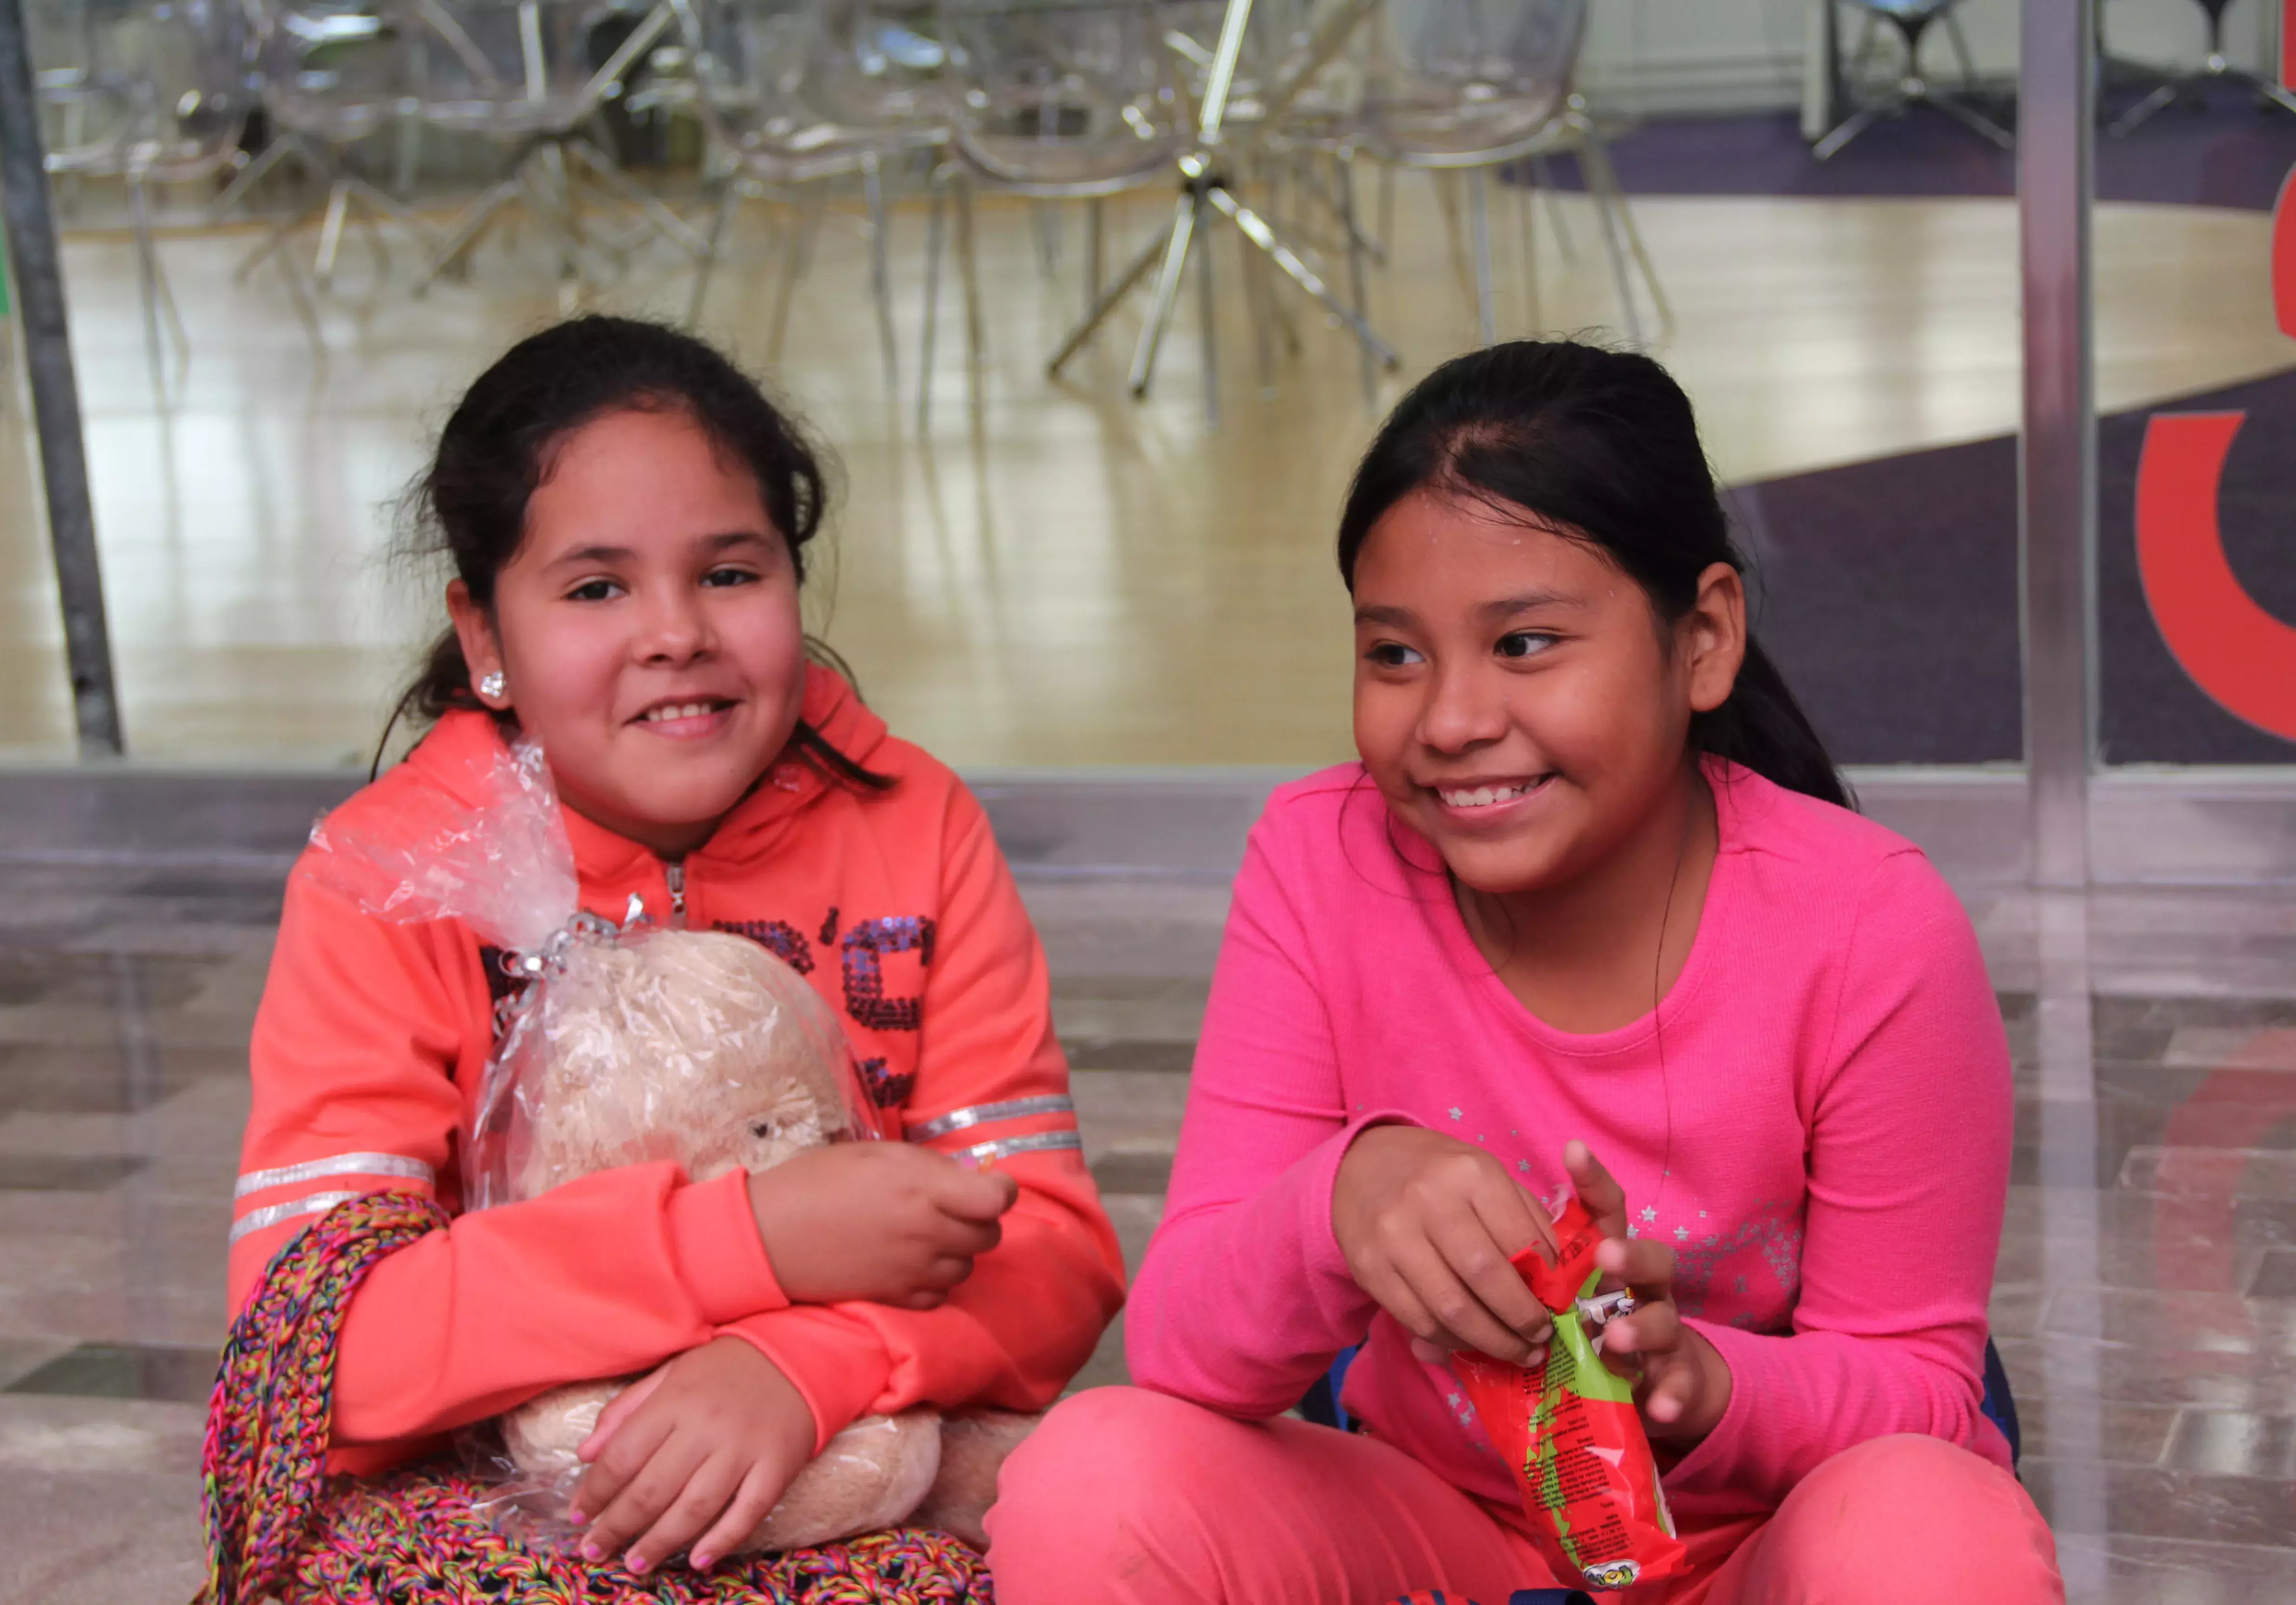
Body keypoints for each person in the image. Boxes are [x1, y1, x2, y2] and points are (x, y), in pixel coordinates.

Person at [987, 342, 2061, 1603]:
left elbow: (1922, 1396)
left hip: (1759, 1548)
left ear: (1703, 638)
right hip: (1438, 1533)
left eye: (1527, 643)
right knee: (1096, 1475)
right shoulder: (1319, 860)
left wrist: (1708, 1385)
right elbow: (1180, 1350)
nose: (1448, 719)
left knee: (1934, 1530)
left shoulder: (1871, 927)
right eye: (1394, 655)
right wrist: (1340, 1200)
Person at [228, 315, 1122, 1577]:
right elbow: (318, 1350)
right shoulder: (390, 882)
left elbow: (1054, 1260)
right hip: (503, 1508)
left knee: (1081, 1527)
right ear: (484, 636)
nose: (676, 634)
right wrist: (750, 1243)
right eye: (597, 587)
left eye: (730, 573)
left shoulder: (915, 826)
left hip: (858, 1447)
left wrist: (807, 1362)